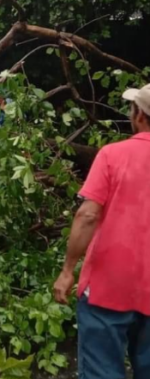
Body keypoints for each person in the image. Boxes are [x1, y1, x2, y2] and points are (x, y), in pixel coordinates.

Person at [53, 83, 150, 379]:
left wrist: (68, 269)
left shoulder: (112, 155)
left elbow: (88, 215)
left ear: (139, 116)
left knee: (100, 371)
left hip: (108, 286)